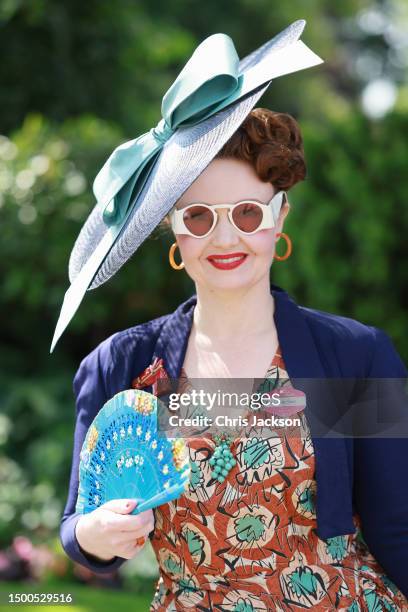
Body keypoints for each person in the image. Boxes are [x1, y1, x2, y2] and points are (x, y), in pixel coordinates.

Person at [60, 107, 408, 610]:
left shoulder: (358, 355)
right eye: (198, 217)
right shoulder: (119, 365)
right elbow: (78, 526)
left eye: (248, 212)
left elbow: (397, 526)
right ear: (173, 228)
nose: (224, 239)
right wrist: (97, 533)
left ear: (280, 214)